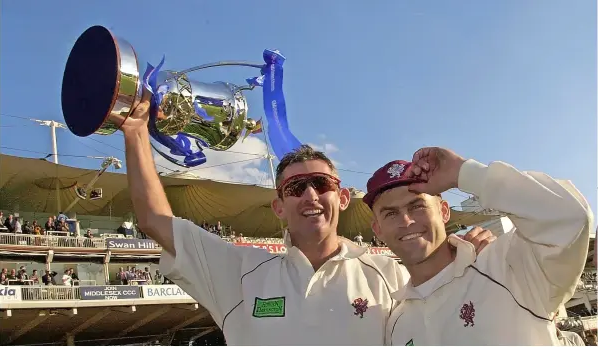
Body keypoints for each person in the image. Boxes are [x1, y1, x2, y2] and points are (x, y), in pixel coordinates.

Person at [121, 91, 496, 344]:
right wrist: (136, 131)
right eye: (295, 187)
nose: (311, 195)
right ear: (279, 206)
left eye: (321, 183)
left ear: (343, 197)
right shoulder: (239, 272)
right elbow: (154, 219)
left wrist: (465, 252)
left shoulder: (393, 275)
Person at [362, 147, 592, 345]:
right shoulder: (397, 323)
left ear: (444, 211)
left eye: (417, 206)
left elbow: (571, 217)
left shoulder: (509, 267)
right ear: (378, 230)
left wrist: (462, 172)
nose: (406, 221)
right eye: (391, 213)